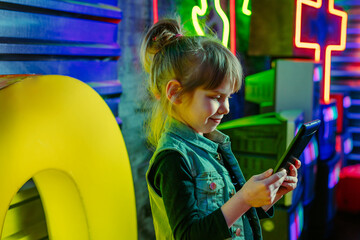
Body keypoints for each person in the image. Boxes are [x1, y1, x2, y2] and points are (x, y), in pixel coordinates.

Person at [140, 18, 301, 240]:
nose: (226, 108)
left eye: (228, 97)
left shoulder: (213, 144)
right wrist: (244, 198)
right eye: (216, 97)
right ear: (175, 92)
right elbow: (190, 235)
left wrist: (266, 197)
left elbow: (226, 219)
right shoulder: (172, 158)